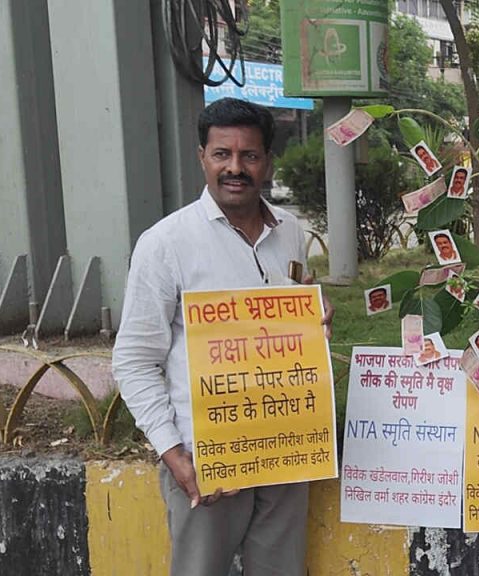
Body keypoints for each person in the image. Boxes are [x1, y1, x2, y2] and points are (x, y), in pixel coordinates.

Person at [112, 98, 334, 576]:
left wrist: (314, 321)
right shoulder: (165, 244)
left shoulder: (290, 231)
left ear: (267, 161)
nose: (236, 168)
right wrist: (174, 455)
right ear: (202, 157)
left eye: (249, 156)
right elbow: (133, 360)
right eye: (222, 154)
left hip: (286, 449)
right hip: (206, 460)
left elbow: (291, 327)